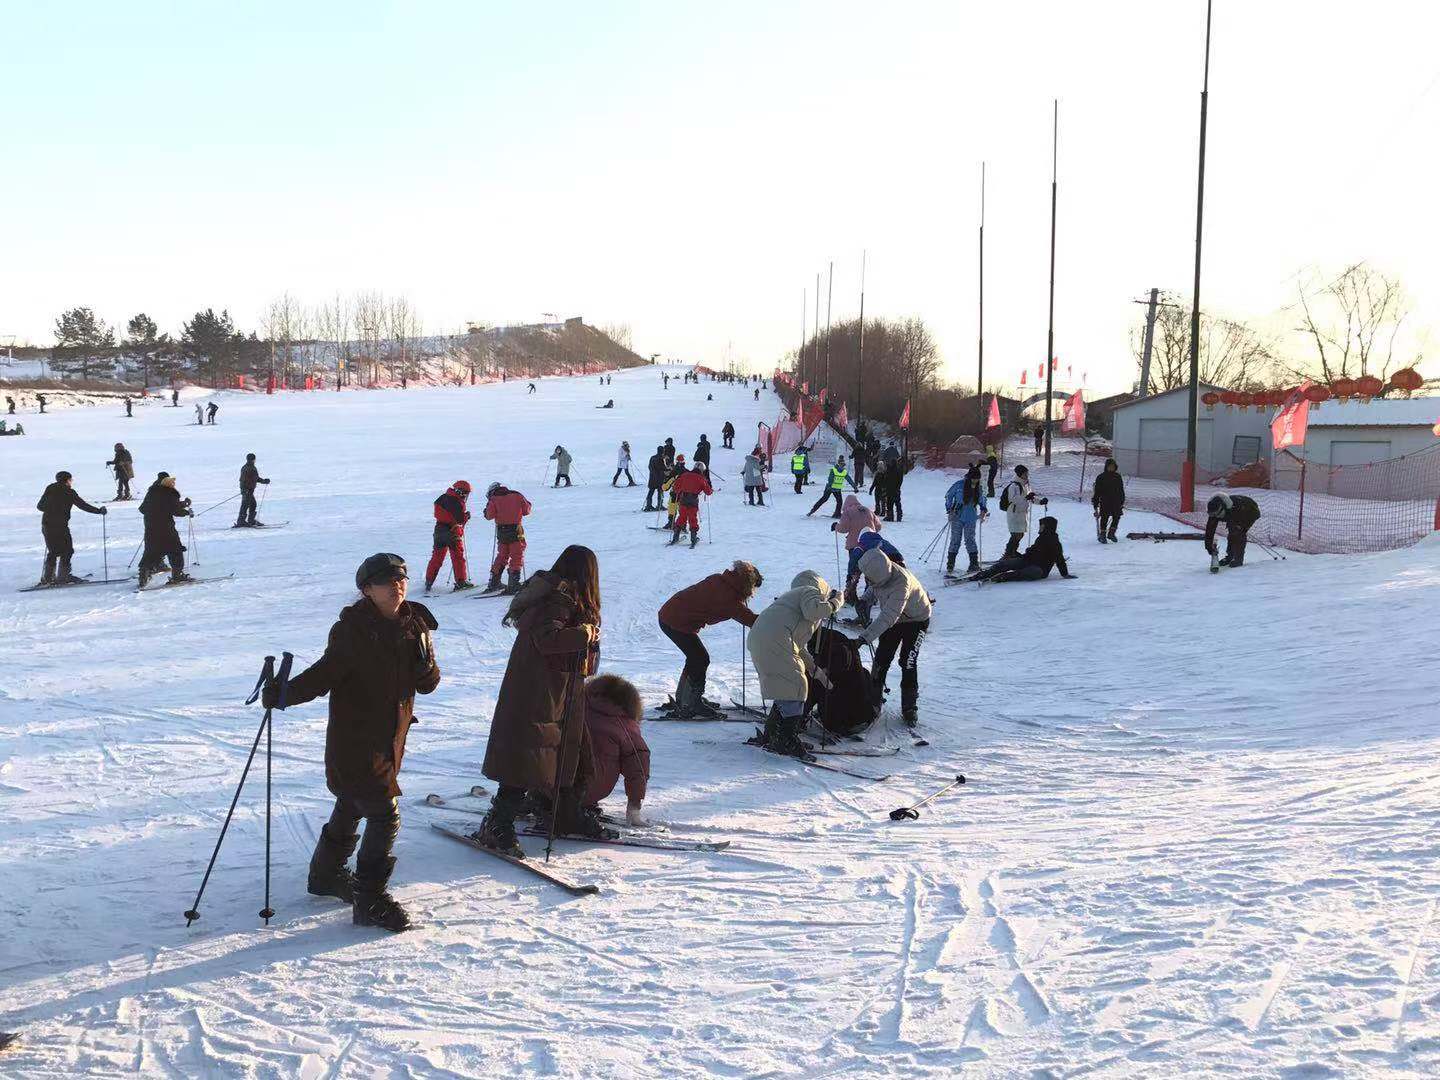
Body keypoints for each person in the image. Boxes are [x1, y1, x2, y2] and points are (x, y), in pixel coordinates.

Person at [266, 552, 440, 933]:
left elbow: (427, 685)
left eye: (401, 579)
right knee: (382, 812)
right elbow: (324, 674)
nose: (396, 585)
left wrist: (427, 665)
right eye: (385, 581)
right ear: (366, 590)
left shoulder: (416, 626)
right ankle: (370, 898)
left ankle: (326, 875)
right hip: (356, 739)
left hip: (391, 737)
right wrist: (284, 694)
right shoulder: (353, 630)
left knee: (352, 800)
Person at [474, 545, 606, 853]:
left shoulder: (564, 598)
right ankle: (498, 823)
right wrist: (584, 635)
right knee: (528, 756)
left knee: (572, 752)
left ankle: (562, 811)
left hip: (557, 689)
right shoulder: (558, 600)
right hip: (539, 691)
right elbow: (547, 639)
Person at [746, 570, 842, 755]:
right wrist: (836, 601)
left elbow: (797, 646)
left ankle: (774, 733)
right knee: (795, 684)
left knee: (786, 685)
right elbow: (815, 610)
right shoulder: (809, 591)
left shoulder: (793, 603)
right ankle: (786, 739)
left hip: (762, 639)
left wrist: (815, 670)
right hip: (774, 640)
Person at [657, 560, 761, 716]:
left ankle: (685, 699)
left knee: (695, 657)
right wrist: (776, 616)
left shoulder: (719, 580)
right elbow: (752, 621)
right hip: (675, 621)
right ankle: (692, 703)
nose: (752, 592)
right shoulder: (729, 599)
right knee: (700, 658)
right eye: (753, 587)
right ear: (747, 584)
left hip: (669, 614)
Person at [854, 548, 932, 727]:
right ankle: (873, 700)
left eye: (869, 577)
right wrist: (865, 600)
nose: (867, 580)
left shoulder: (901, 584)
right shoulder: (881, 573)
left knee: (908, 660)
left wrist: (864, 638)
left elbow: (888, 617)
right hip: (896, 619)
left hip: (917, 619)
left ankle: (909, 705)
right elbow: (875, 588)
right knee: (881, 659)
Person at [35, 470, 106, 585]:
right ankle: (64, 577)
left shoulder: (50, 488)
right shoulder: (69, 492)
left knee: (53, 551)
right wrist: (99, 511)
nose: (71, 482)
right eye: (71, 480)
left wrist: (51, 507)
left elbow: (40, 506)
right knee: (67, 551)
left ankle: (47, 578)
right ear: (67, 480)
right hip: (60, 526)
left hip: (46, 524)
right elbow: (83, 505)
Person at [970, 516, 1074, 583]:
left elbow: (1059, 559)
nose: (1040, 527)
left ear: (1048, 527)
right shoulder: (1041, 538)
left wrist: (1065, 574)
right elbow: (1032, 551)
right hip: (1028, 561)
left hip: (1040, 570)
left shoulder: (1054, 542)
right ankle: (984, 574)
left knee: (1025, 572)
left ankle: (1002, 577)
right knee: (1006, 564)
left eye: (1042, 525)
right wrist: (1019, 556)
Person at [137, 472, 193, 587]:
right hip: (166, 527)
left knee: (151, 550)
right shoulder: (170, 493)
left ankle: (143, 574)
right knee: (175, 549)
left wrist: (155, 512)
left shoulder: (152, 493)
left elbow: (143, 509)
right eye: (172, 482)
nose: (174, 484)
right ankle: (177, 575)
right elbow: (175, 510)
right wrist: (187, 512)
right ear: (167, 484)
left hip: (151, 527)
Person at [482, 481, 532, 593]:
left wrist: (486, 510)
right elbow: (527, 510)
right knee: (516, 555)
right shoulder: (517, 495)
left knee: (502, 556)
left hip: (502, 531)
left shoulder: (493, 499)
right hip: (516, 531)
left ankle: (494, 582)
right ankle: (513, 584)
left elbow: (489, 516)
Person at [425, 480, 474, 592]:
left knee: (436, 558)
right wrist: (466, 516)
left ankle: (429, 581)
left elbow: (439, 514)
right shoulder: (457, 502)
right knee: (458, 557)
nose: (466, 496)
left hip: (438, 530)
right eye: (466, 493)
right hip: (452, 532)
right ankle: (461, 582)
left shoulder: (441, 498)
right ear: (460, 491)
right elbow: (460, 520)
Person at [944, 463, 988, 574]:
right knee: (955, 540)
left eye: (977, 479)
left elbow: (982, 500)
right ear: (969, 477)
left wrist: (983, 509)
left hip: (971, 516)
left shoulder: (979, 488)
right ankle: (950, 564)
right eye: (973, 479)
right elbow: (949, 496)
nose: (975, 482)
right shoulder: (959, 485)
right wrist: (949, 509)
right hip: (957, 516)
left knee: (970, 539)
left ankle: (973, 563)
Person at [1000, 464, 1046, 558]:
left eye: (1027, 473)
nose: (1027, 475)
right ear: (1020, 474)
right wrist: (1026, 497)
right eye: (1025, 473)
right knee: (1015, 534)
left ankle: (1012, 552)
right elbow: (1013, 499)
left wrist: (1040, 501)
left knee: (1020, 534)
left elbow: (1030, 498)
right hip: (1014, 513)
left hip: (1022, 513)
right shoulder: (1014, 485)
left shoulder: (1026, 485)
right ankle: (1008, 554)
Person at [1205, 493, 1261, 569]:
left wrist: (1242, 528)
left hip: (1250, 512)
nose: (1215, 516)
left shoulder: (1235, 509)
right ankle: (1230, 557)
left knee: (1237, 533)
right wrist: (1209, 547)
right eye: (1212, 514)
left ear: (1222, 508)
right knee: (1232, 532)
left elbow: (1239, 534)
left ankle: (1238, 559)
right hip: (1234, 512)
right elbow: (1210, 530)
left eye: (1216, 514)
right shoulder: (1214, 509)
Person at [669, 462, 713, 547]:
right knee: (692, 518)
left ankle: (675, 537)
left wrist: (679, 490)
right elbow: (708, 492)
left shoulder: (685, 475)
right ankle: (693, 538)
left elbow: (676, 487)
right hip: (693, 500)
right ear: (701, 470)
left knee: (682, 517)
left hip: (683, 499)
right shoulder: (701, 478)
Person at [1092, 458, 1125, 543]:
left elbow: (1121, 489)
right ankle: (1103, 535)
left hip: (1116, 501)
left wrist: (1122, 500)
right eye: (1109, 466)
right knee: (1104, 517)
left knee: (1116, 517)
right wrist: (1095, 502)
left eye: (1113, 466)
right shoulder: (1101, 477)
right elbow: (1097, 491)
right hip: (1105, 501)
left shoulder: (1118, 477)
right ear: (1106, 467)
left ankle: (1111, 533)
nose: (1111, 468)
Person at [236, 453, 271, 527]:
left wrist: (264, 481)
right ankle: (242, 522)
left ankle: (249, 520)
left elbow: (255, 478)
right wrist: (245, 489)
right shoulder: (249, 468)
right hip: (247, 490)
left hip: (247, 490)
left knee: (252, 504)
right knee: (246, 505)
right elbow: (243, 480)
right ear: (253, 460)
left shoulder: (247, 467)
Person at [644, 445, 667, 512]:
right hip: (659, 478)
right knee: (660, 492)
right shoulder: (660, 459)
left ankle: (648, 505)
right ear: (663, 451)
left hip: (652, 478)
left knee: (651, 492)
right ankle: (660, 505)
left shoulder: (652, 457)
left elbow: (649, 467)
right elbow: (662, 468)